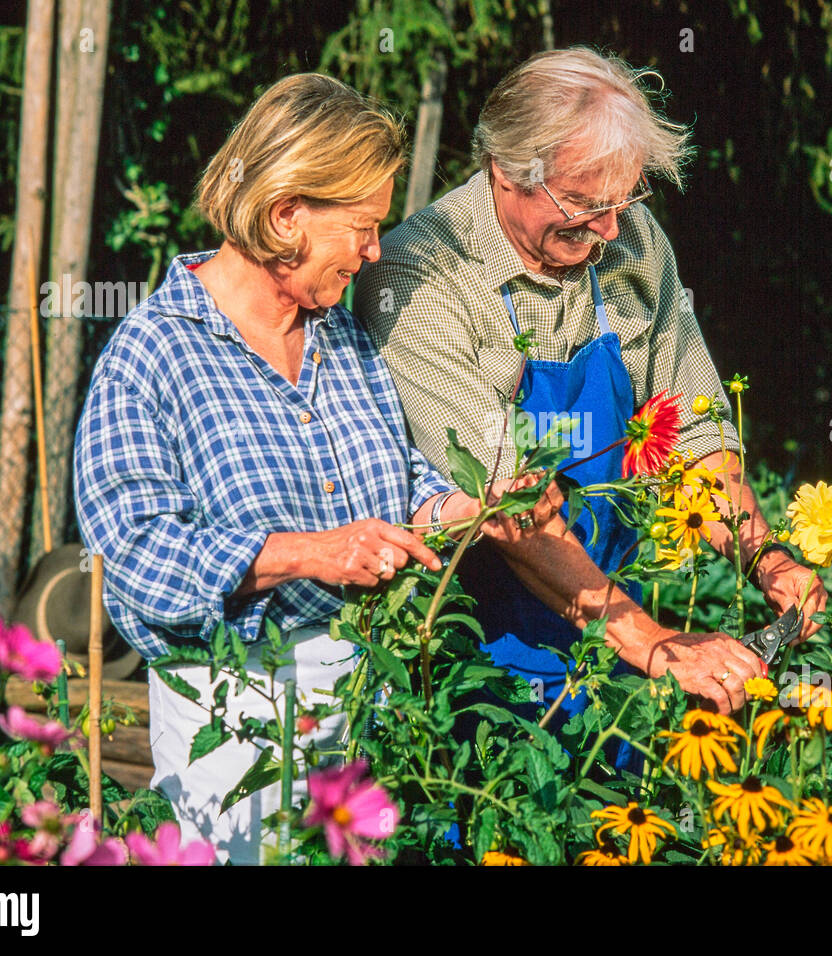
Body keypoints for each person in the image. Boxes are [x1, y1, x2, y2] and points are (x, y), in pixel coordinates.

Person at [73, 74, 556, 864]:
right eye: (363, 227)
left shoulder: (344, 339)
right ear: (284, 213)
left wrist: (471, 507)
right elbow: (133, 557)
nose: (374, 250)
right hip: (232, 724)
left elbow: (395, 493)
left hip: (365, 697)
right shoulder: (151, 355)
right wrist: (304, 551)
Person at [357, 48, 828, 720]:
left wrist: (765, 556)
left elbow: (695, 430)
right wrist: (658, 644)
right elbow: (508, 505)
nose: (610, 227)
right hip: (476, 658)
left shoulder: (631, 241)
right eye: (583, 202)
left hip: (616, 639)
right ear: (506, 169)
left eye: (624, 198)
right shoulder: (421, 272)